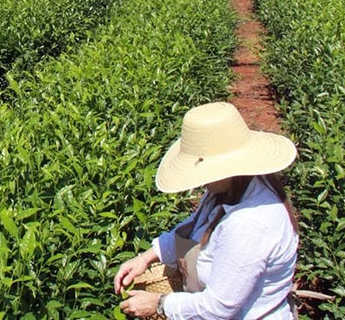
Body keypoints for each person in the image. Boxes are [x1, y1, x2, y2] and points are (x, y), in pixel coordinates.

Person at [114, 102, 299, 319]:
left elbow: (218, 308)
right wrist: (145, 258)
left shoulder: (250, 223)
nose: (201, 181)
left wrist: (159, 304)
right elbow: (195, 227)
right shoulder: (228, 190)